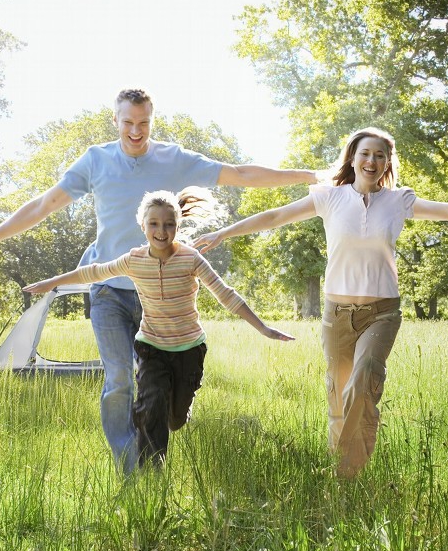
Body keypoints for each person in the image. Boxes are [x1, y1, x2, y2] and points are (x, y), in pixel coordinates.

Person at [0, 89, 316, 474]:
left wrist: (313, 176)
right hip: (108, 292)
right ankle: (135, 469)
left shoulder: (174, 158)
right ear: (116, 121)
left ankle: (151, 449)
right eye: (128, 123)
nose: (136, 131)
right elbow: (43, 205)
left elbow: (241, 174)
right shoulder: (96, 160)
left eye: (143, 123)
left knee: (154, 386)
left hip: (154, 295)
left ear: (151, 121)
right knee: (120, 378)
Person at [195, 127, 448, 478]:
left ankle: (343, 474)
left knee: (363, 384)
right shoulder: (328, 197)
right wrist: (222, 234)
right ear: (352, 157)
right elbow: (274, 216)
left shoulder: (399, 201)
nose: (372, 160)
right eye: (366, 153)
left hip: (381, 312)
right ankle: (347, 473)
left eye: (380, 155)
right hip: (337, 314)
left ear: (387, 163)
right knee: (339, 396)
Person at [24, 188, 293, 467]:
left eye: (168, 224)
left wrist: (263, 328)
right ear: (143, 226)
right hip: (151, 347)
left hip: (189, 349)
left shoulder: (191, 259)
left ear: (177, 226)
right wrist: (52, 282)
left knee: (174, 420)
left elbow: (226, 294)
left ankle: (167, 413)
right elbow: (92, 271)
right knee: (152, 405)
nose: (161, 231)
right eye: (154, 223)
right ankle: (152, 473)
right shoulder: (134, 260)